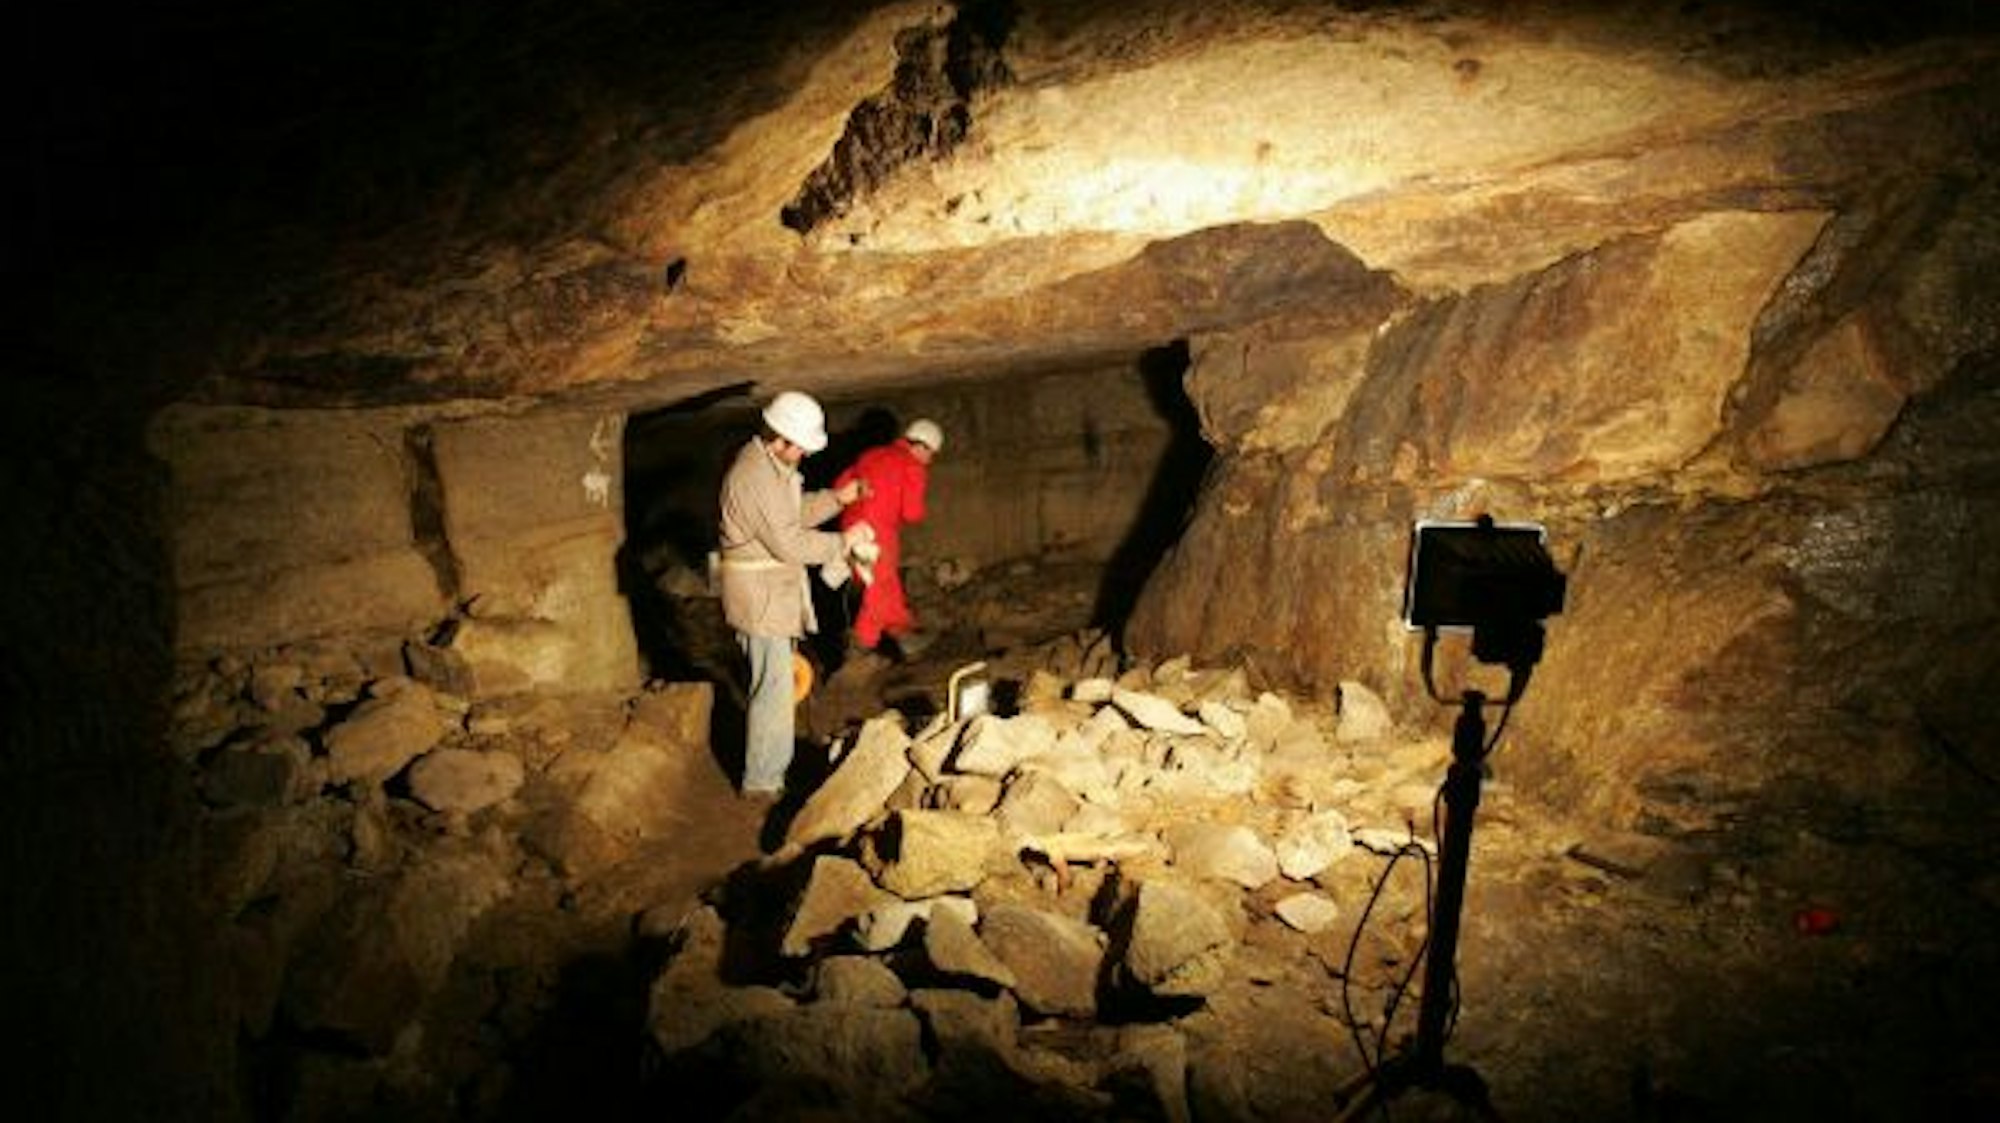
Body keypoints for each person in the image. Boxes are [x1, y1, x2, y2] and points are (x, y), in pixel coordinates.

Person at [716, 390, 868, 798]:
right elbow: (789, 542)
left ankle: (770, 770)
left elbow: (791, 514)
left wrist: (837, 499)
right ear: (779, 436)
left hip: (770, 594)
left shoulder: (770, 467)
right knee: (772, 690)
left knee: (777, 685)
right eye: (800, 446)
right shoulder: (754, 476)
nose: (803, 454)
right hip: (760, 599)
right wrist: (842, 543)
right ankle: (763, 782)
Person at [834, 417, 943, 659]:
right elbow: (912, 513)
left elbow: (841, 486)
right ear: (921, 446)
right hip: (877, 534)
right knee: (878, 589)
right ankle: (859, 649)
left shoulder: (872, 454)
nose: (930, 459)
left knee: (887, 586)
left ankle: (904, 633)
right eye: (931, 453)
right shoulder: (913, 466)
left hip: (850, 531)